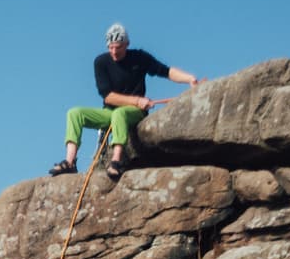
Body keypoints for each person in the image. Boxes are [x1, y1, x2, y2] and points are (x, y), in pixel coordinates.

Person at [49, 23, 199, 181]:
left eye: (118, 47)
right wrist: (137, 100)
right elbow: (107, 96)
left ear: (127, 44)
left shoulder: (140, 58)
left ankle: (116, 161)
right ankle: (70, 162)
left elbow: (166, 71)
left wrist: (189, 79)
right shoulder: (101, 62)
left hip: (134, 113)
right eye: (111, 47)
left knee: (119, 114)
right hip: (109, 111)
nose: (114, 52)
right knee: (74, 113)